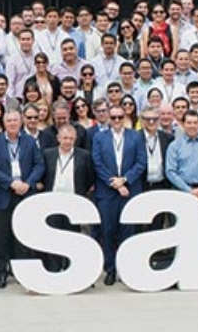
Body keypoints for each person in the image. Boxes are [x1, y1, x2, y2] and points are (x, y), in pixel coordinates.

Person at [0, 109, 45, 288]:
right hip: (3, 195)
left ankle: (22, 272)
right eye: (9, 120)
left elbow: (39, 165)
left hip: (25, 194)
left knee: (23, 235)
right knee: (1, 236)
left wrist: (28, 183)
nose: (12, 123)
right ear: (4, 123)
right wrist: (11, 183)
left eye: (15, 120)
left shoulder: (29, 141)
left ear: (21, 122)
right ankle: (1, 272)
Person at [92, 105, 147, 285]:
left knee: (127, 231)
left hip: (129, 190)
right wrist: (114, 183)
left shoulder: (136, 136)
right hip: (107, 192)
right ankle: (110, 269)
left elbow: (141, 162)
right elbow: (97, 162)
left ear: (125, 117)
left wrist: (124, 180)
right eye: (113, 117)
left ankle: (126, 269)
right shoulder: (99, 137)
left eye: (119, 117)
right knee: (107, 231)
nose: (116, 120)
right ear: (108, 118)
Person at [38, 124, 94, 271]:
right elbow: (42, 175)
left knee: (72, 236)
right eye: (65, 138)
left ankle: (70, 268)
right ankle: (54, 268)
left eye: (71, 138)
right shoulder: (47, 154)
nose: (68, 141)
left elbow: (89, 177)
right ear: (58, 138)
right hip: (52, 202)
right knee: (53, 236)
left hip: (73, 202)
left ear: (75, 139)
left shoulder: (84, 155)